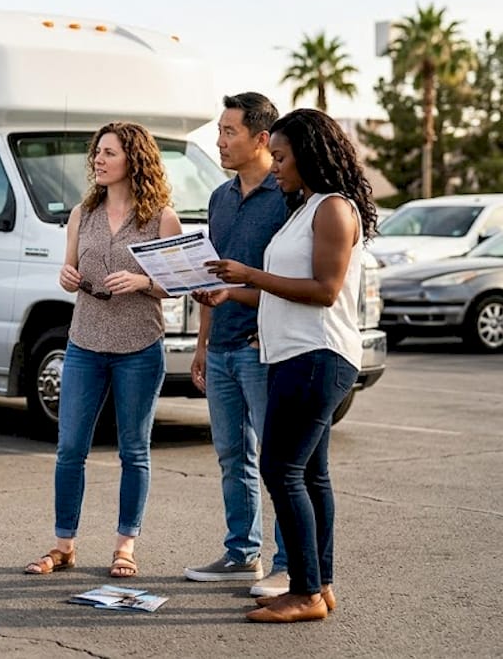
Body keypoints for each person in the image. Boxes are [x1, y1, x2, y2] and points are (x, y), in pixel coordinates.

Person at [205, 108, 377, 623]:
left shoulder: (333, 209)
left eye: (281, 156)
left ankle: (303, 590)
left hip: (317, 357)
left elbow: (324, 291)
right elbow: (281, 294)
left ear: (310, 154)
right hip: (291, 354)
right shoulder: (305, 208)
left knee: (280, 468)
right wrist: (232, 292)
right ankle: (319, 585)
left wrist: (251, 273)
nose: (275, 165)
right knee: (312, 474)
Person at [24, 121, 181, 580]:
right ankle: (63, 545)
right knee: (70, 447)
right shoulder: (81, 213)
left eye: (108, 153)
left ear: (134, 159)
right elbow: (67, 269)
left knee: (134, 450)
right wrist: (66, 276)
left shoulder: (161, 218)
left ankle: (125, 546)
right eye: (97, 153)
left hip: (139, 346)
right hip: (84, 343)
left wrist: (143, 282)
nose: (98, 160)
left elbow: (177, 285)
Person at [184, 93, 291, 597]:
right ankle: (241, 554)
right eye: (219, 131)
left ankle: (288, 565)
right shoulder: (220, 197)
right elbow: (213, 273)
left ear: (261, 139)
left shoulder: (289, 194)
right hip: (223, 345)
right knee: (232, 456)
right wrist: (203, 343)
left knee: (278, 461)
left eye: (229, 132)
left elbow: (291, 278)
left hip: (263, 346)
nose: (220, 141)